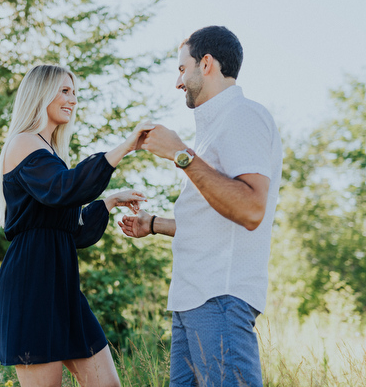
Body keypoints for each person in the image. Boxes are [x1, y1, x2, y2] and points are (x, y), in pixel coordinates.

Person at [119, 26, 283, 387]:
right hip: (193, 301)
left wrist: (180, 154)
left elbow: (252, 209)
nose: (178, 81)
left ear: (206, 63)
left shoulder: (243, 116)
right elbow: (217, 216)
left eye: (182, 68)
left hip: (220, 300)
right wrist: (153, 224)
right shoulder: (213, 130)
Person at [0, 64, 154, 387]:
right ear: (40, 94)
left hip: (62, 287)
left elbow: (73, 231)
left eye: (74, 92)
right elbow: (66, 189)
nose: (73, 99)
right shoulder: (25, 143)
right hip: (32, 285)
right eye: (64, 91)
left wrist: (108, 202)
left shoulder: (51, 152)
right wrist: (124, 146)